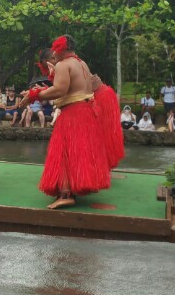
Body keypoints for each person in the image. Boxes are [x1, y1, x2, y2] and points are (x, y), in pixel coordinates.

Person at [21, 35, 109, 209]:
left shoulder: (64, 64)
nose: (54, 53)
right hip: (87, 112)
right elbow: (72, 88)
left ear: (62, 49)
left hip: (74, 113)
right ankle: (73, 189)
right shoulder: (82, 63)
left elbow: (60, 90)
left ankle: (65, 194)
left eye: (55, 49)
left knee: (63, 151)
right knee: (77, 151)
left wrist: (34, 95)